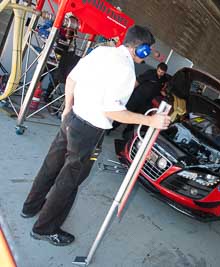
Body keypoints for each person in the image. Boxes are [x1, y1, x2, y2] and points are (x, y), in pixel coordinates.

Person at [20, 26, 171, 246]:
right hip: (89, 131)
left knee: (50, 166)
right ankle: (45, 228)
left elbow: (71, 79)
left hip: (72, 118)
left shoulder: (102, 51)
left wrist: (67, 108)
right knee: (68, 182)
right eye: (147, 50)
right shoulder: (126, 70)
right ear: (141, 50)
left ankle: (30, 208)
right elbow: (111, 111)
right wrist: (149, 120)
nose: (148, 54)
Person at [109, 62, 170, 138]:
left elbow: (159, 89)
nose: (160, 73)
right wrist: (130, 91)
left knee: (136, 118)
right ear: (157, 68)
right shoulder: (150, 73)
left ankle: (126, 134)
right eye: (159, 71)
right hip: (137, 97)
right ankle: (110, 128)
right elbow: (138, 81)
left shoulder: (164, 79)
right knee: (126, 113)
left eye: (162, 73)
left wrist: (163, 93)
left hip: (146, 103)